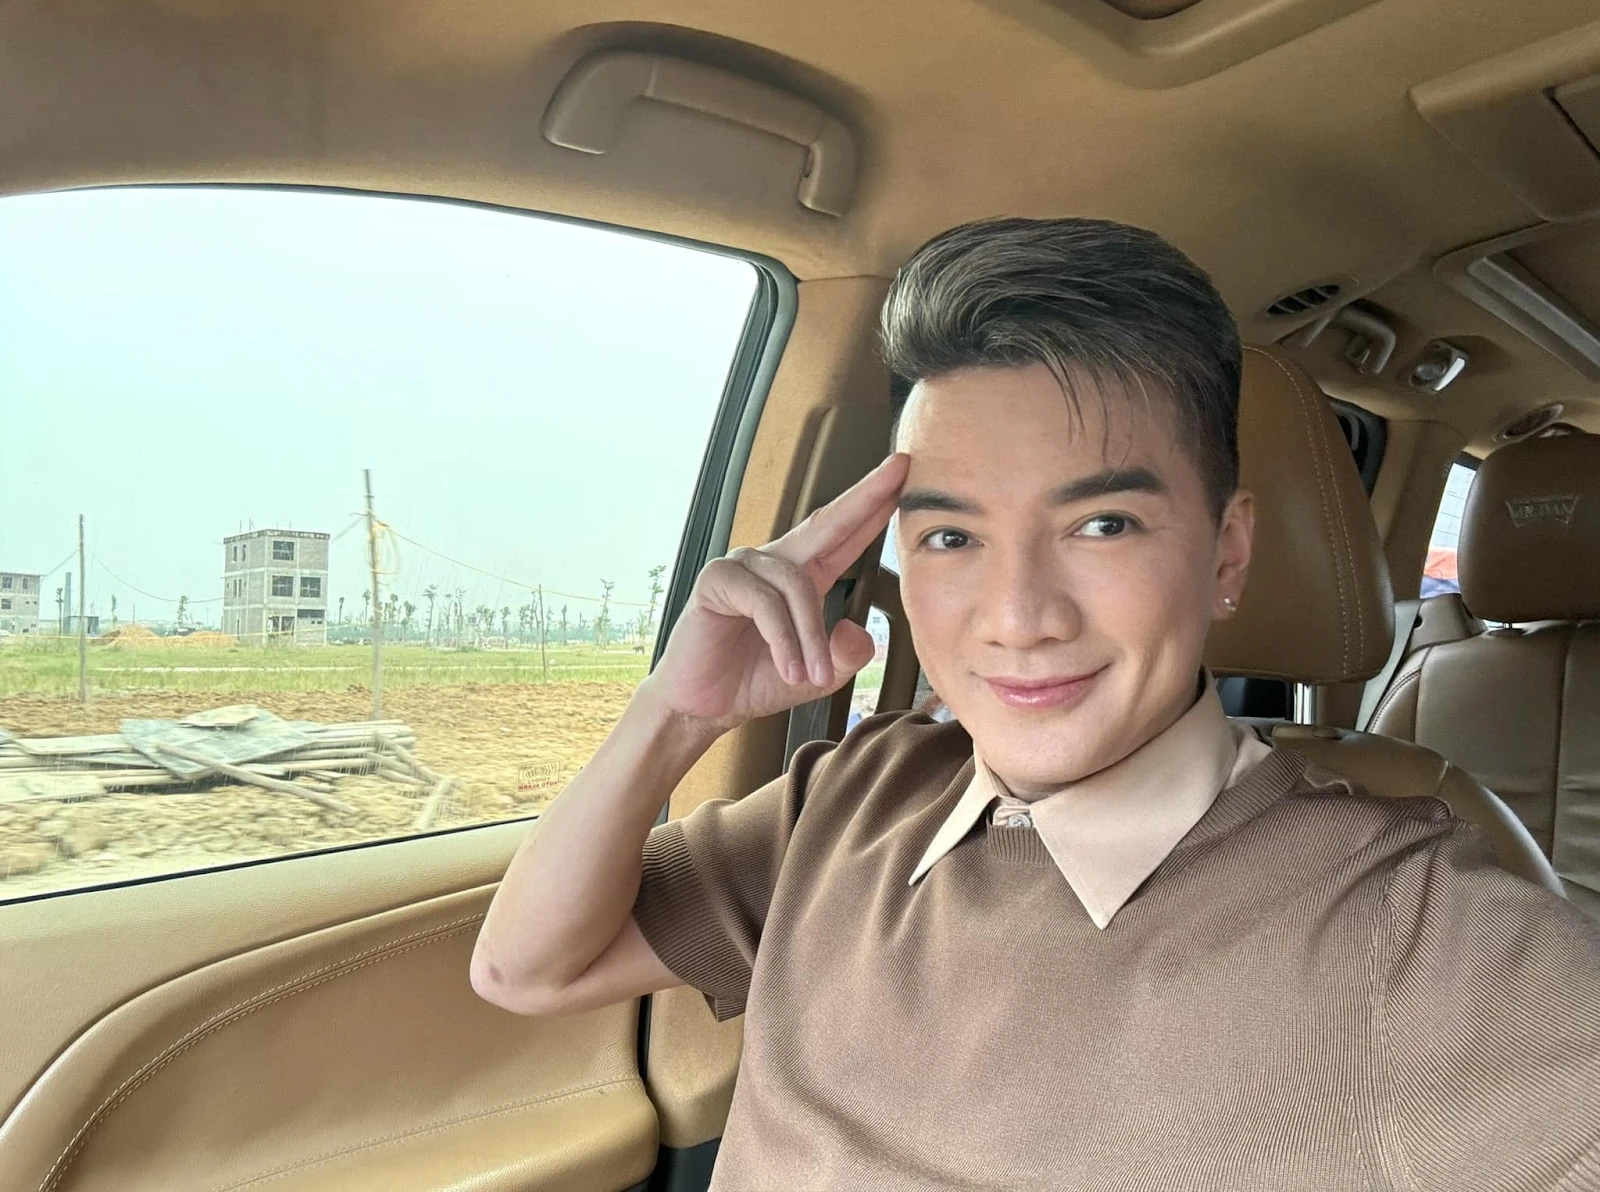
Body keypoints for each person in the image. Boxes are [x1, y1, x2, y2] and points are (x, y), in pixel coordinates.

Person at [471, 218, 1600, 1191]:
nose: (1018, 616)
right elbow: (526, 971)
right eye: (950, 537)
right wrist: (676, 715)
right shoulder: (852, 797)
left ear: (1226, 553)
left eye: (1102, 525)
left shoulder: (1413, 927)